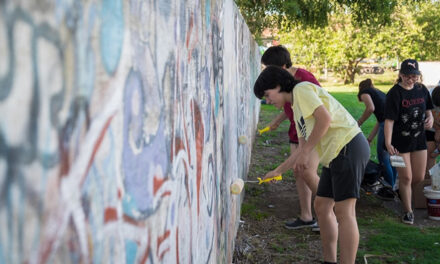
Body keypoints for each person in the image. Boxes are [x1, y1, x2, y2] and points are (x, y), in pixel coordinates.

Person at [254, 66, 369, 264]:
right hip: (335, 154)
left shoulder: (302, 90)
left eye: (267, 94)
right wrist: (277, 171)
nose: (268, 100)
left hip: (348, 147)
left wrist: (306, 152)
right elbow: (302, 147)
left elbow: (325, 120)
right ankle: (329, 260)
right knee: (322, 205)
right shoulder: (296, 106)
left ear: (278, 86)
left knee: (344, 212)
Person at [261, 45, 320, 230]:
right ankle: (306, 216)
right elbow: (289, 105)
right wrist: (278, 120)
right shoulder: (281, 82)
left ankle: (329, 213)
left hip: (311, 133)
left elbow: (317, 108)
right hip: (297, 132)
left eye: (271, 68)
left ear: (284, 66)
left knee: (308, 171)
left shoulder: (305, 79)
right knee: (298, 171)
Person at [384, 59, 433, 225]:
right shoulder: (394, 93)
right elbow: (389, 121)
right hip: (400, 142)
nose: (410, 79)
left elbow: (428, 109)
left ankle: (402, 193)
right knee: (406, 177)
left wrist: (430, 117)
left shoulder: (422, 89)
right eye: (407, 75)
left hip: (419, 139)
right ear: (400, 75)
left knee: (417, 177)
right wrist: (388, 143)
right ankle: (408, 211)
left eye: (414, 76)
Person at [357, 79, 397, 194]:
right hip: (395, 124)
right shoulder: (378, 92)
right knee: (392, 157)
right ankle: (394, 185)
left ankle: (389, 188)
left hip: (387, 124)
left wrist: (359, 122)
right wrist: (369, 139)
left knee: (383, 157)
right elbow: (380, 121)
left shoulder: (364, 92)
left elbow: (370, 108)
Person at [426, 86, 440, 173]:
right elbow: (427, 117)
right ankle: (430, 178)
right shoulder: (430, 101)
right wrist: (437, 129)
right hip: (430, 130)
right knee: (430, 155)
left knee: (434, 153)